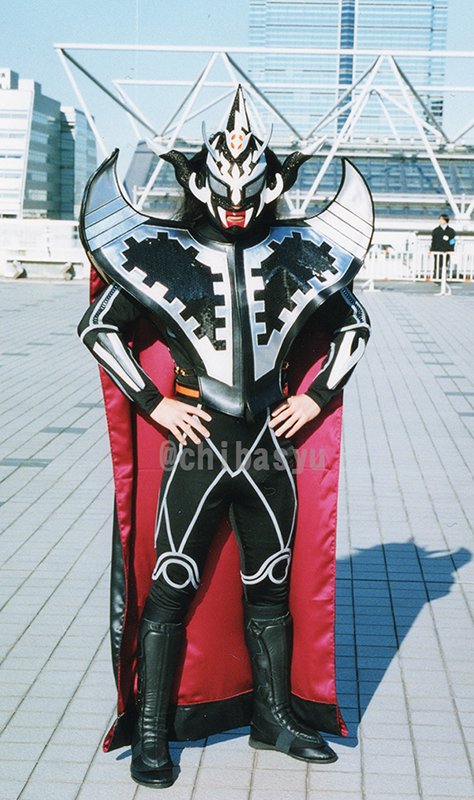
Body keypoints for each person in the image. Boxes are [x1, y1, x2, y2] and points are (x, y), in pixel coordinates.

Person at [78, 86, 373, 789]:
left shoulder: (299, 249)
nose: (236, 204)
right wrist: (154, 403)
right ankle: (153, 732)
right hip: (199, 443)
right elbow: (99, 328)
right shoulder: (162, 248)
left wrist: (315, 396)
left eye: (249, 189)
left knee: (270, 587)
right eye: (223, 187)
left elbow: (354, 325)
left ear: (272, 185)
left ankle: (275, 718)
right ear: (198, 182)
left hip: (268, 442)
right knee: (172, 584)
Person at [430, 214, 456, 279]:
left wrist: (451, 250)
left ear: (445, 220)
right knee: (437, 263)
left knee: (444, 264)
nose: (440, 220)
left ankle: (443, 277)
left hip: (446, 251)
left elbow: (452, 241)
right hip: (437, 250)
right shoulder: (435, 231)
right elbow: (433, 241)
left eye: (442, 219)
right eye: (440, 219)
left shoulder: (451, 231)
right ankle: (436, 277)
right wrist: (431, 250)